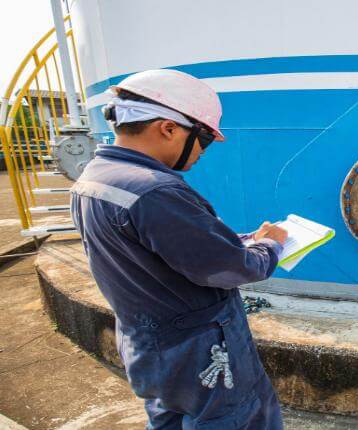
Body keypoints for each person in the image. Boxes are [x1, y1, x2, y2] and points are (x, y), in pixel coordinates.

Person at [70, 69, 286, 429]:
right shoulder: (156, 190)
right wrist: (269, 246)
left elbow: (155, 251)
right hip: (199, 351)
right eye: (203, 138)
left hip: (147, 344)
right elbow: (232, 269)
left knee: (168, 418)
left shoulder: (93, 178)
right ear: (168, 128)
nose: (203, 151)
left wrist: (236, 239)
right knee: (233, 419)